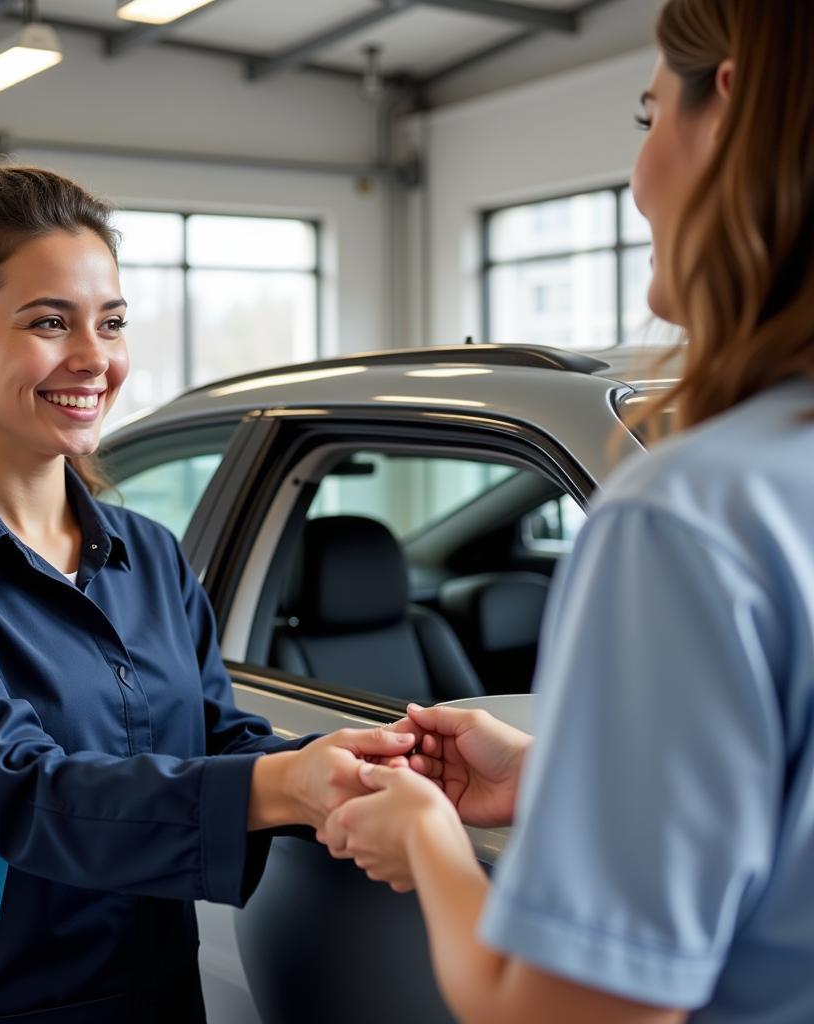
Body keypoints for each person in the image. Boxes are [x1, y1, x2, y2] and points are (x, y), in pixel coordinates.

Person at [0, 166, 416, 1023]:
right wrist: (291, 785)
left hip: (152, 997)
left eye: (111, 322)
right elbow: (17, 792)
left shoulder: (148, 554)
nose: (94, 358)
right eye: (49, 322)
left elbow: (218, 735)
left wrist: (376, 764)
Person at [320, 0, 814, 1021]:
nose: (638, 182)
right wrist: (556, 778)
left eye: (645, 120)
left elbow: (563, 1011)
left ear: (722, 113)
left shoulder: (688, 516)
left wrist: (426, 837)